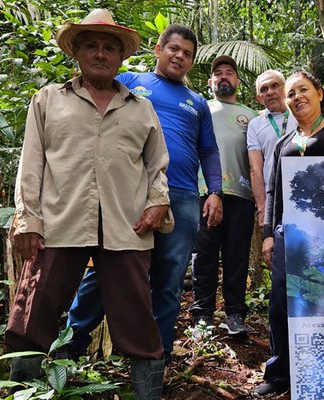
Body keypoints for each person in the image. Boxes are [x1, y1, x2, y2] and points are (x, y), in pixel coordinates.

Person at [6, 9, 169, 399]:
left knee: (136, 314)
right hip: (60, 220)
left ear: (120, 57)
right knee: (35, 307)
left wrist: (158, 202)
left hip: (126, 223)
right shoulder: (48, 100)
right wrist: (28, 220)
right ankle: (20, 387)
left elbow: (157, 165)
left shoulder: (140, 108)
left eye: (110, 47)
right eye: (91, 45)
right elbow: (32, 163)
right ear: (76, 52)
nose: (101, 53)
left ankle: (148, 392)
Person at [66, 24, 223, 364]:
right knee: (109, 270)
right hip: (130, 193)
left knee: (168, 280)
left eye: (187, 54)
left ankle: (156, 355)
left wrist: (214, 191)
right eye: (174, 49)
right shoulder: (131, 82)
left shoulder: (197, 103)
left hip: (182, 197)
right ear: (158, 49)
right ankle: (70, 342)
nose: (180, 56)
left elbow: (209, 151)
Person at [254, 71, 324, 397]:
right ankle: (281, 372)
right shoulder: (285, 142)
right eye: (291, 94)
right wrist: (269, 233)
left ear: (320, 92)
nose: (297, 97)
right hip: (290, 232)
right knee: (281, 304)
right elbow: (274, 191)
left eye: (303, 90)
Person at [189, 55, 258, 335]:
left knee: (236, 256)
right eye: (218, 73)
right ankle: (202, 316)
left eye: (229, 72)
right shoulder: (200, 109)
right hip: (204, 192)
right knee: (203, 253)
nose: (224, 77)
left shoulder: (251, 116)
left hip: (241, 194)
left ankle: (234, 314)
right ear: (210, 82)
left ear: (238, 82)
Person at [246, 70, 298, 226]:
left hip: (304, 186)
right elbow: (255, 168)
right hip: (274, 196)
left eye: (275, 86)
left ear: (285, 88)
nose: (269, 92)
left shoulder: (300, 112)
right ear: (259, 98)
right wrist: (262, 207)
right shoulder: (255, 125)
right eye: (264, 89)